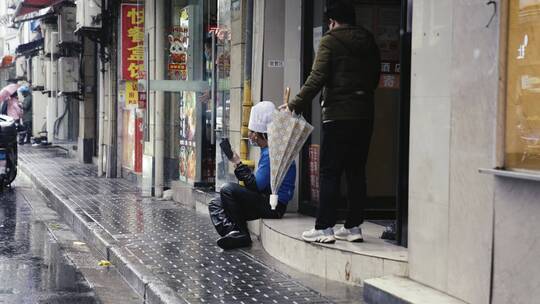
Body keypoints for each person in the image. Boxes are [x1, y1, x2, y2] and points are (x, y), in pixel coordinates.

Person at [283, 1, 381, 243]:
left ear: (333, 22)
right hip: (364, 114)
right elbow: (376, 75)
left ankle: (325, 227)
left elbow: (317, 77)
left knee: (330, 172)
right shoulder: (368, 39)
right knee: (357, 171)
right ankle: (353, 226)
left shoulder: (330, 40)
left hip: (338, 116)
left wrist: (295, 104)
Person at [209, 101, 296, 250]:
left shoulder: (271, 152)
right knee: (216, 204)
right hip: (266, 200)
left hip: (273, 206)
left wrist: (237, 163)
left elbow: (256, 185)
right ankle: (234, 233)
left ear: (258, 134)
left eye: (251, 131)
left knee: (227, 190)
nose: (249, 135)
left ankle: (241, 233)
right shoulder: (269, 149)